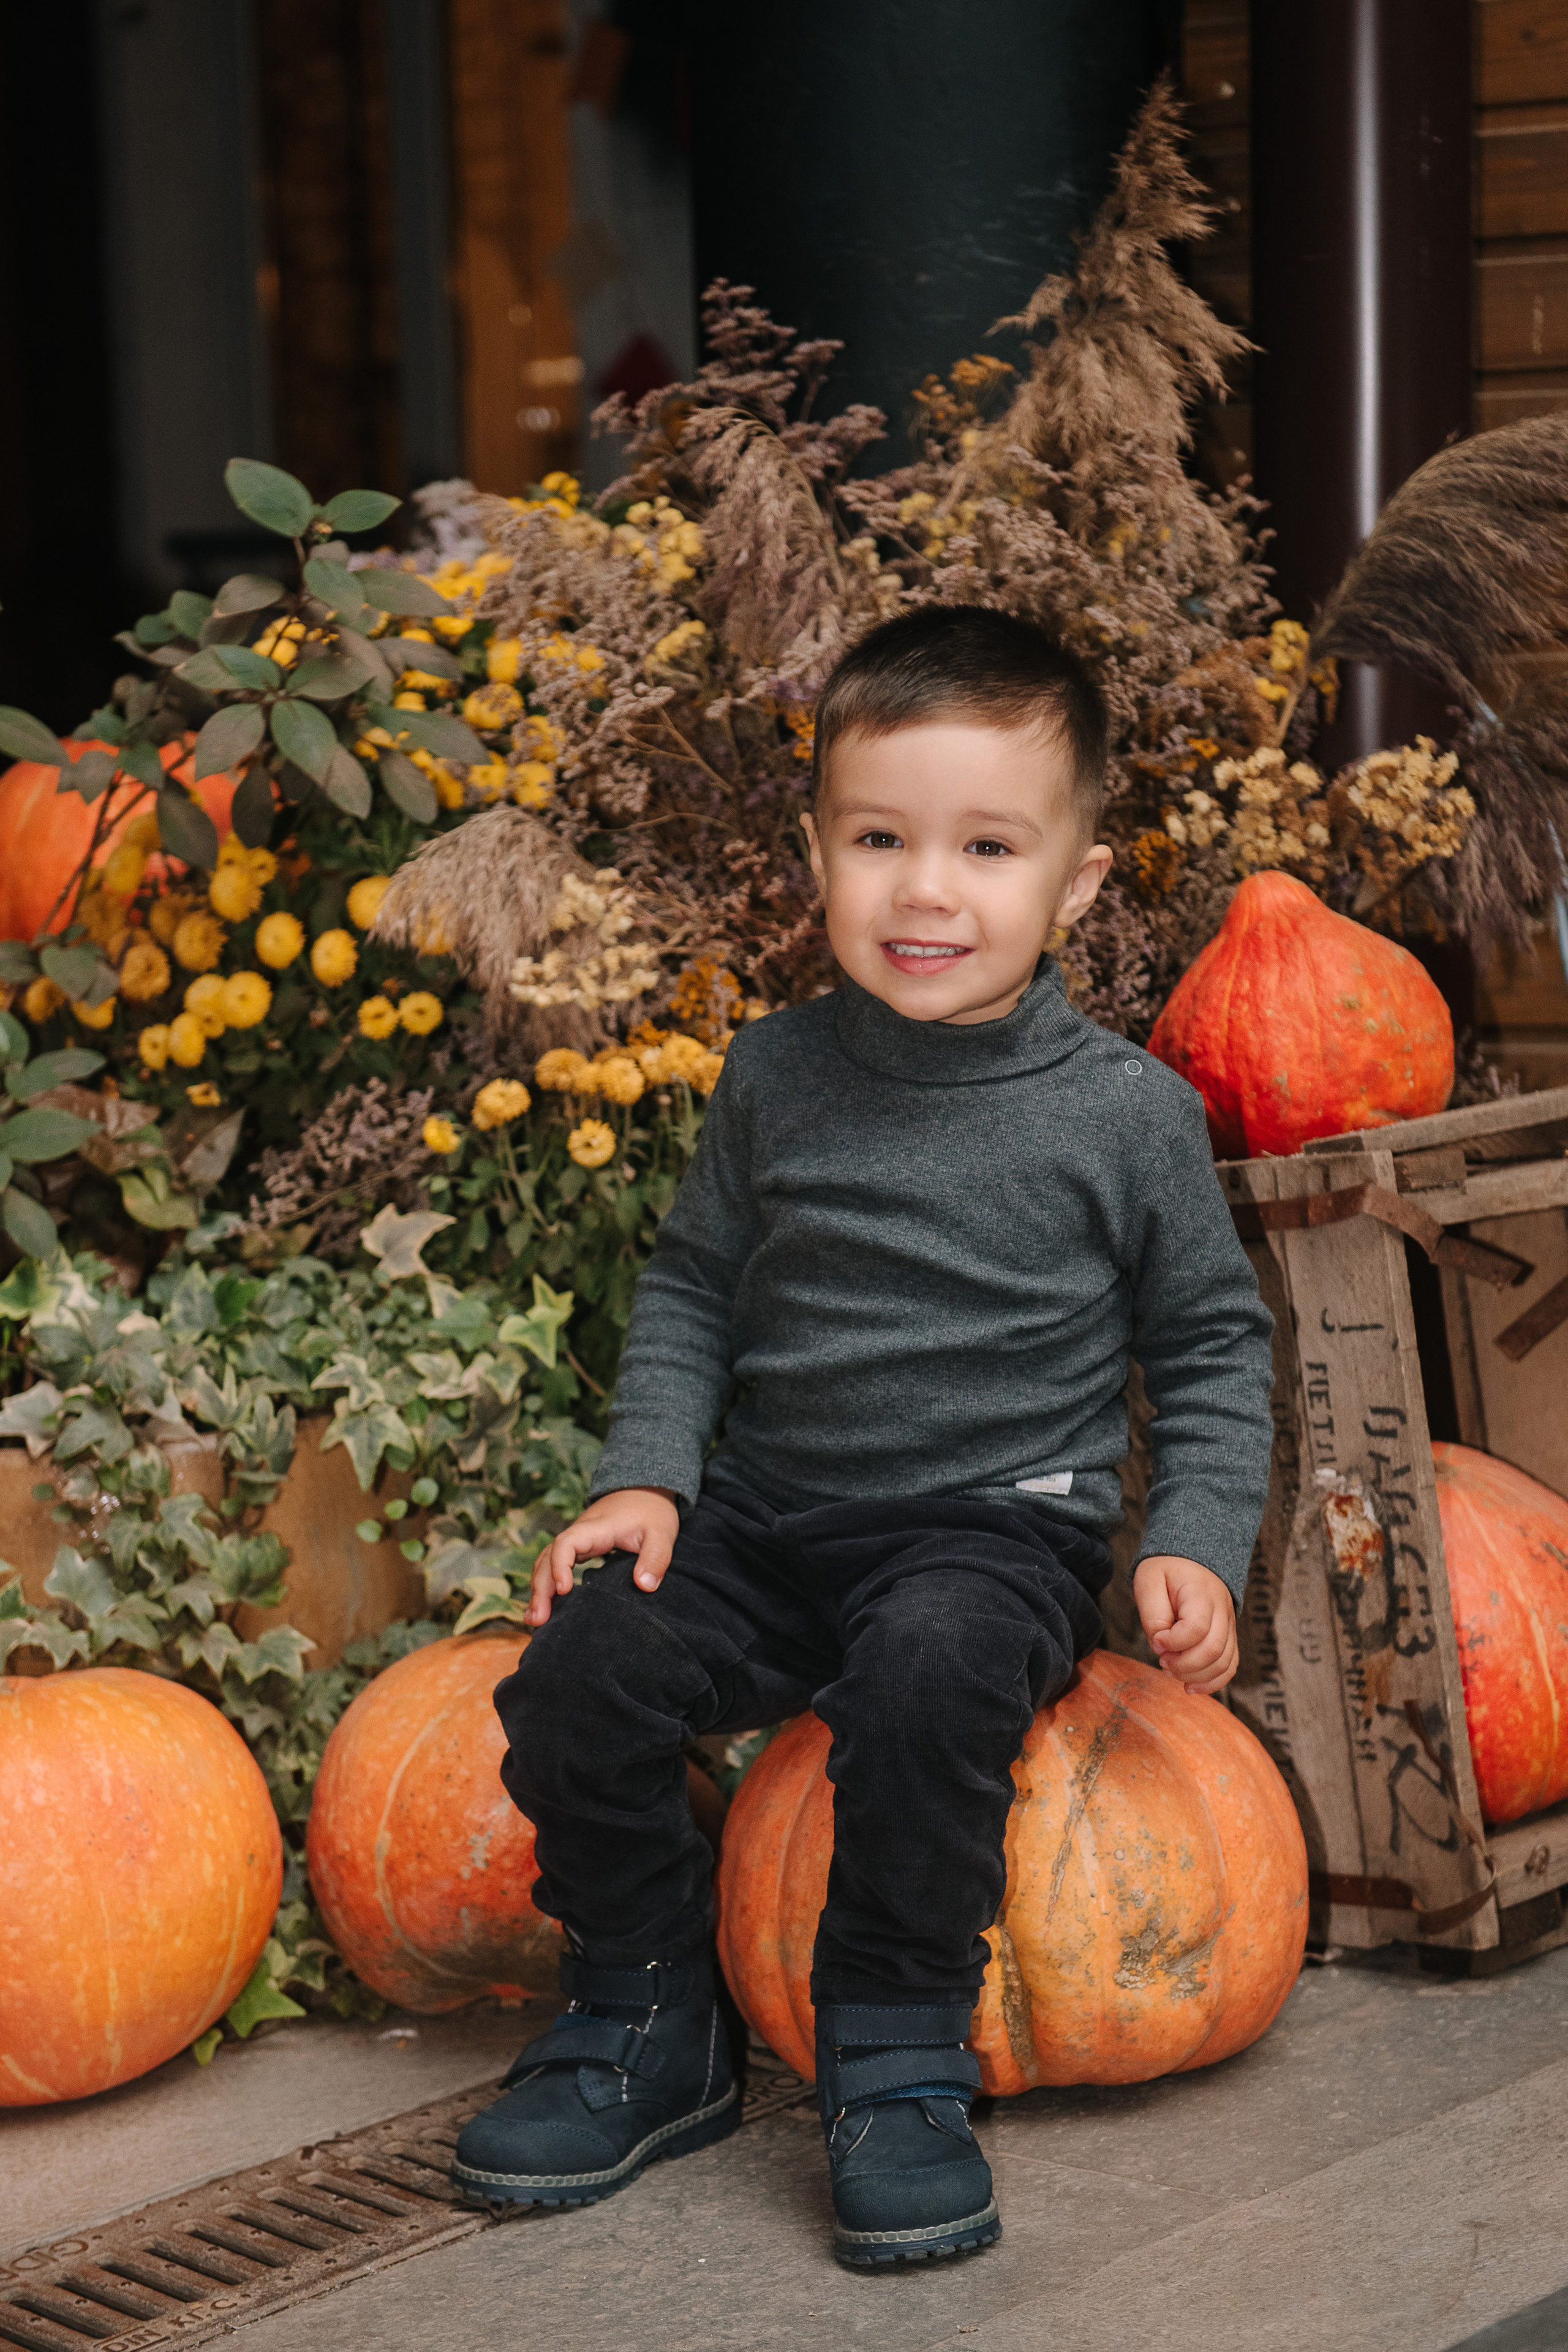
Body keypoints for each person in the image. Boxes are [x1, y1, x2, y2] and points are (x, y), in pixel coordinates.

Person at [453, 604, 1275, 2266]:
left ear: (1079, 886)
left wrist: (1193, 1533)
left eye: (987, 847)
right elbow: (691, 1287)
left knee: (929, 1676)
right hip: (770, 1519)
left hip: (991, 1530)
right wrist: (647, 1480)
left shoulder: (1125, 1111)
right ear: (818, 853)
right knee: (582, 1671)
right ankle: (647, 2008)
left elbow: (1208, 1345)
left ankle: (894, 2052)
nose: (926, 891)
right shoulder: (774, 1075)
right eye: (881, 839)